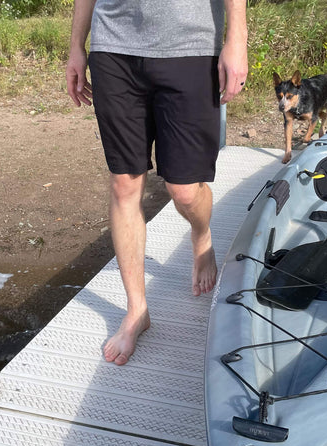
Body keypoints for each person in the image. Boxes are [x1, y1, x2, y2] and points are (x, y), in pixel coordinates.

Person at [66, 0, 248, 366]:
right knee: (124, 184)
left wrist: (237, 37)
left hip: (190, 46)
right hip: (113, 47)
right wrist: (76, 46)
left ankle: (202, 234)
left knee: (183, 190)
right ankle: (137, 310)